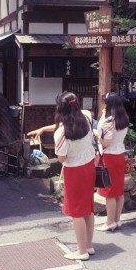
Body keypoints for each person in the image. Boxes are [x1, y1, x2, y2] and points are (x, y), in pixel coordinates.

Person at [52, 91, 96, 261]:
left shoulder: (62, 132)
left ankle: (81, 250)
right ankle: (89, 246)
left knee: (77, 211)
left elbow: (62, 157)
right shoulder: (86, 116)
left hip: (74, 170)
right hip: (89, 165)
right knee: (88, 208)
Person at [94, 92, 130, 232]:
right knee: (118, 191)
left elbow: (106, 142)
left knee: (109, 192)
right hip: (119, 155)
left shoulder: (109, 122)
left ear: (107, 104)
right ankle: (117, 220)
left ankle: (109, 222)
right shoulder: (123, 118)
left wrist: (96, 135)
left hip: (109, 157)